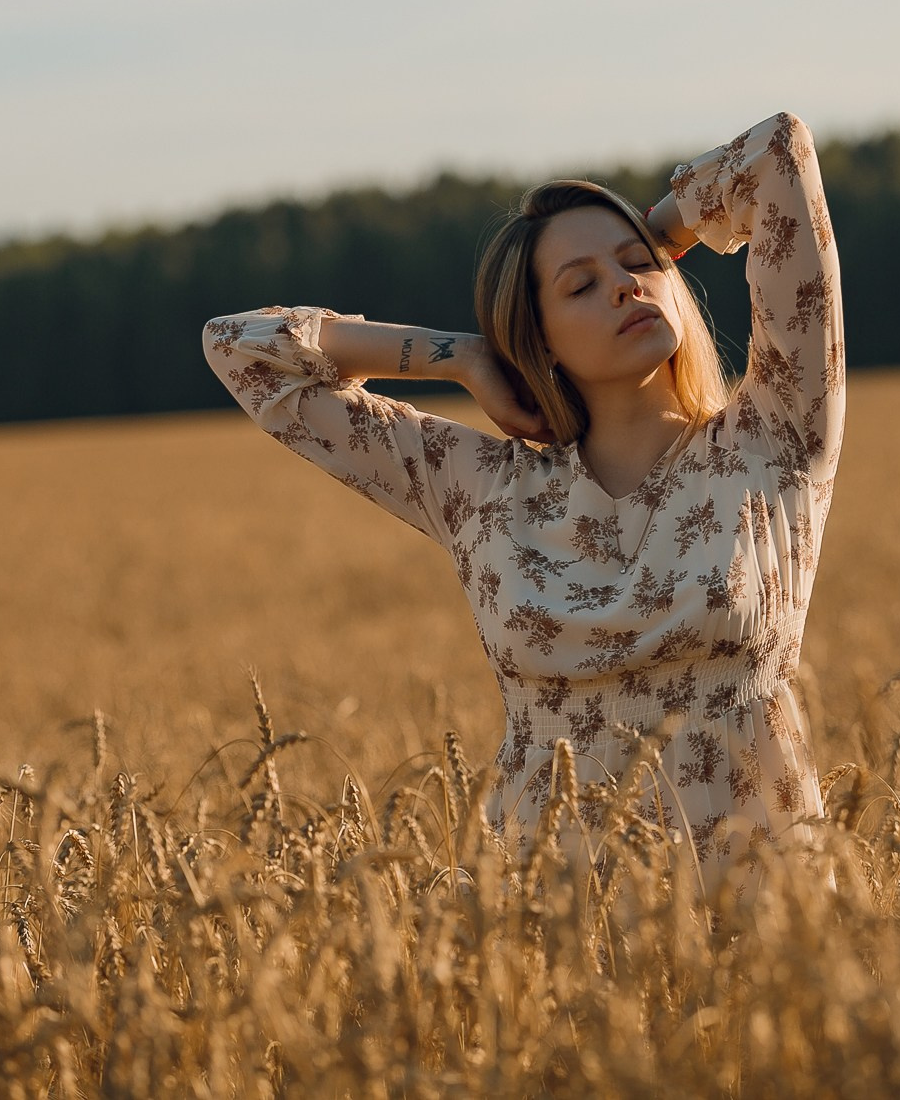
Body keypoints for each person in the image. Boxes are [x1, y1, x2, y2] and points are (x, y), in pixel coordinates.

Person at [201, 111, 844, 876]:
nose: (623, 288)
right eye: (582, 285)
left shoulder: (773, 435)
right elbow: (239, 349)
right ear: (536, 340)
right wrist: (465, 357)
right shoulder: (482, 488)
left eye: (636, 266)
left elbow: (778, 154)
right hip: (544, 945)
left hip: (765, 939)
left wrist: (658, 228)